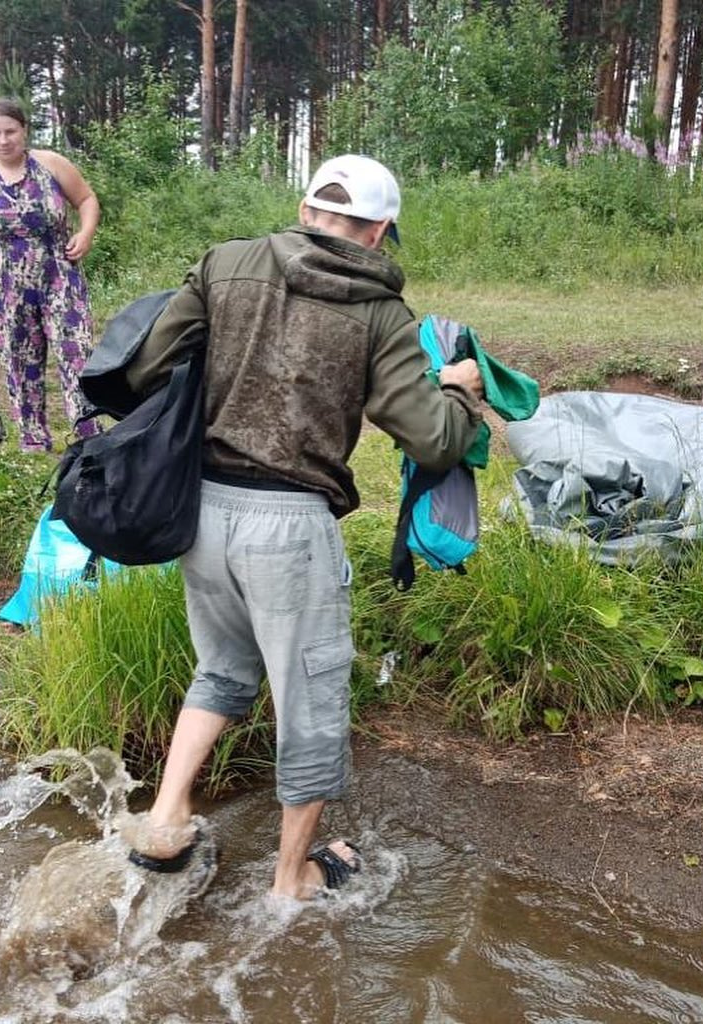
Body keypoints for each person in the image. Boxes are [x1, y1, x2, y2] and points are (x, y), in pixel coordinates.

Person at [123, 154, 485, 899]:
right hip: (290, 529)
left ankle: (163, 821)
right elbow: (434, 441)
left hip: (202, 513)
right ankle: (292, 881)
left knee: (221, 669)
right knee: (312, 704)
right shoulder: (382, 313)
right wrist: (460, 393)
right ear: (380, 232)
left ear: (306, 206)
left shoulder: (225, 264)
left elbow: (146, 367)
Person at [0, 97, 102, 453]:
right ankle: (33, 438)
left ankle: (88, 434)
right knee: (19, 360)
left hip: (59, 275)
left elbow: (86, 199)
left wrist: (85, 233)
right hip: (7, 284)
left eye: (10, 131)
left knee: (75, 352)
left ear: (24, 130)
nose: (3, 140)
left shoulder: (51, 164)